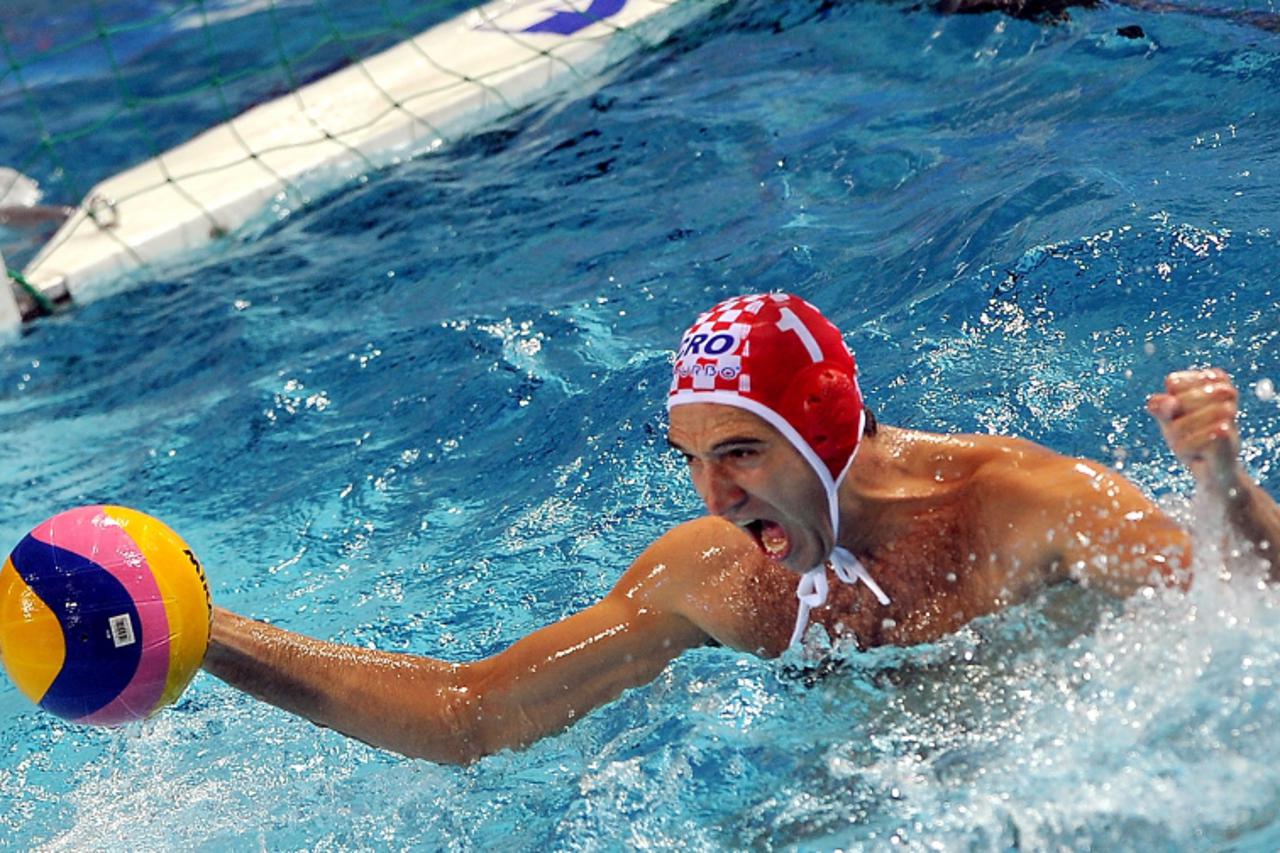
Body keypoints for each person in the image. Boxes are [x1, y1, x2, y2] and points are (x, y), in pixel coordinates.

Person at [202, 293, 1280, 764]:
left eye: (739, 453)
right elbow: (469, 714)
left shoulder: (1028, 508)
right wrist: (207, 632)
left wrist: (1219, 482)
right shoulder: (713, 577)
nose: (713, 499)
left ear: (821, 433)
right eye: (692, 460)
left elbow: (1254, 615)